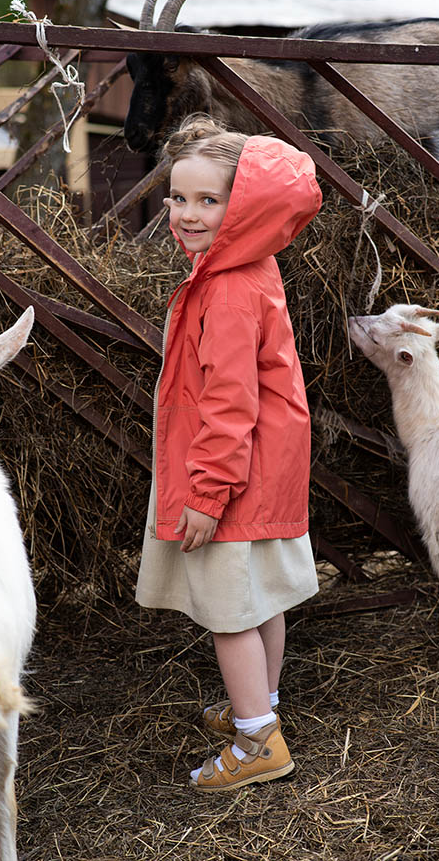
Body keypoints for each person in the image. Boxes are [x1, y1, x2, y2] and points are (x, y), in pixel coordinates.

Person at [136, 114, 322, 792]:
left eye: (208, 200)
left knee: (227, 614)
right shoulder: (247, 264)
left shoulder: (228, 288)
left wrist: (207, 494)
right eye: (178, 197)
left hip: (232, 473)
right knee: (260, 598)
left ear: (242, 207)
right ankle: (261, 706)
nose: (186, 214)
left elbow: (229, 403)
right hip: (267, 464)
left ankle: (257, 742)